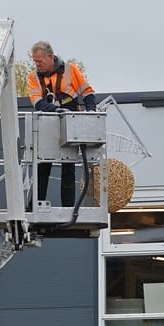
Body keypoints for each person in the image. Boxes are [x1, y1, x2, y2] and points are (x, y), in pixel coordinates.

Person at [25, 40, 99, 205]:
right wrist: (56, 110)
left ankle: (68, 208)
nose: (37, 65)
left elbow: (87, 92)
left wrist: (91, 112)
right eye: (35, 61)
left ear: (50, 57)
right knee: (43, 166)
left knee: (68, 166)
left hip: (70, 124)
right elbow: (37, 101)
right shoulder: (33, 77)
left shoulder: (71, 70)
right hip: (47, 125)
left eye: (39, 61)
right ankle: (36, 206)